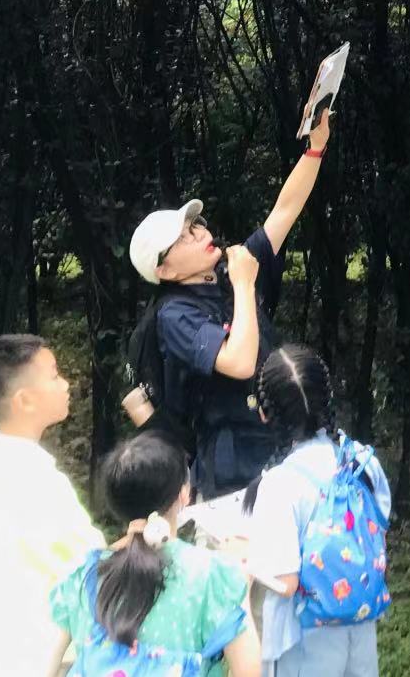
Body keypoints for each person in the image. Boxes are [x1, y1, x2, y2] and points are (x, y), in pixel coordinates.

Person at [127, 111, 332, 498]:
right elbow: (238, 362)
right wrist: (243, 285)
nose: (198, 234)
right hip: (233, 470)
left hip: (280, 444)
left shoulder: (228, 272)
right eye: (182, 238)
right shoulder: (175, 314)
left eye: (194, 226)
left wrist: (315, 149)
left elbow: (284, 212)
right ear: (165, 270)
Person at [47, 432, 258, 677]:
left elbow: (41, 664)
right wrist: (242, 587)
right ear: (183, 494)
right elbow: (250, 672)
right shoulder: (213, 576)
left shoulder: (83, 575)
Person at [0, 334, 104, 677]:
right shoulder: (32, 480)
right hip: (37, 661)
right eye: (54, 375)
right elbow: (89, 565)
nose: (66, 384)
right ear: (24, 400)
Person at [245, 344, 391, 677]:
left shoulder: (280, 484)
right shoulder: (362, 462)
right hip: (360, 629)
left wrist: (244, 558)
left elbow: (284, 581)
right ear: (328, 398)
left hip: (300, 640)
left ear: (266, 414)